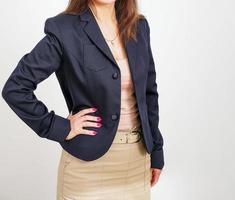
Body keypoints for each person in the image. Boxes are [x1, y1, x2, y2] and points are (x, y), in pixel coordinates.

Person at [1, 0, 164, 199]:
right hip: (86, 170)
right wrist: (60, 127)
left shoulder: (138, 27)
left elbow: (149, 93)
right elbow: (15, 88)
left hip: (137, 162)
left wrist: (156, 150)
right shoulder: (64, 29)